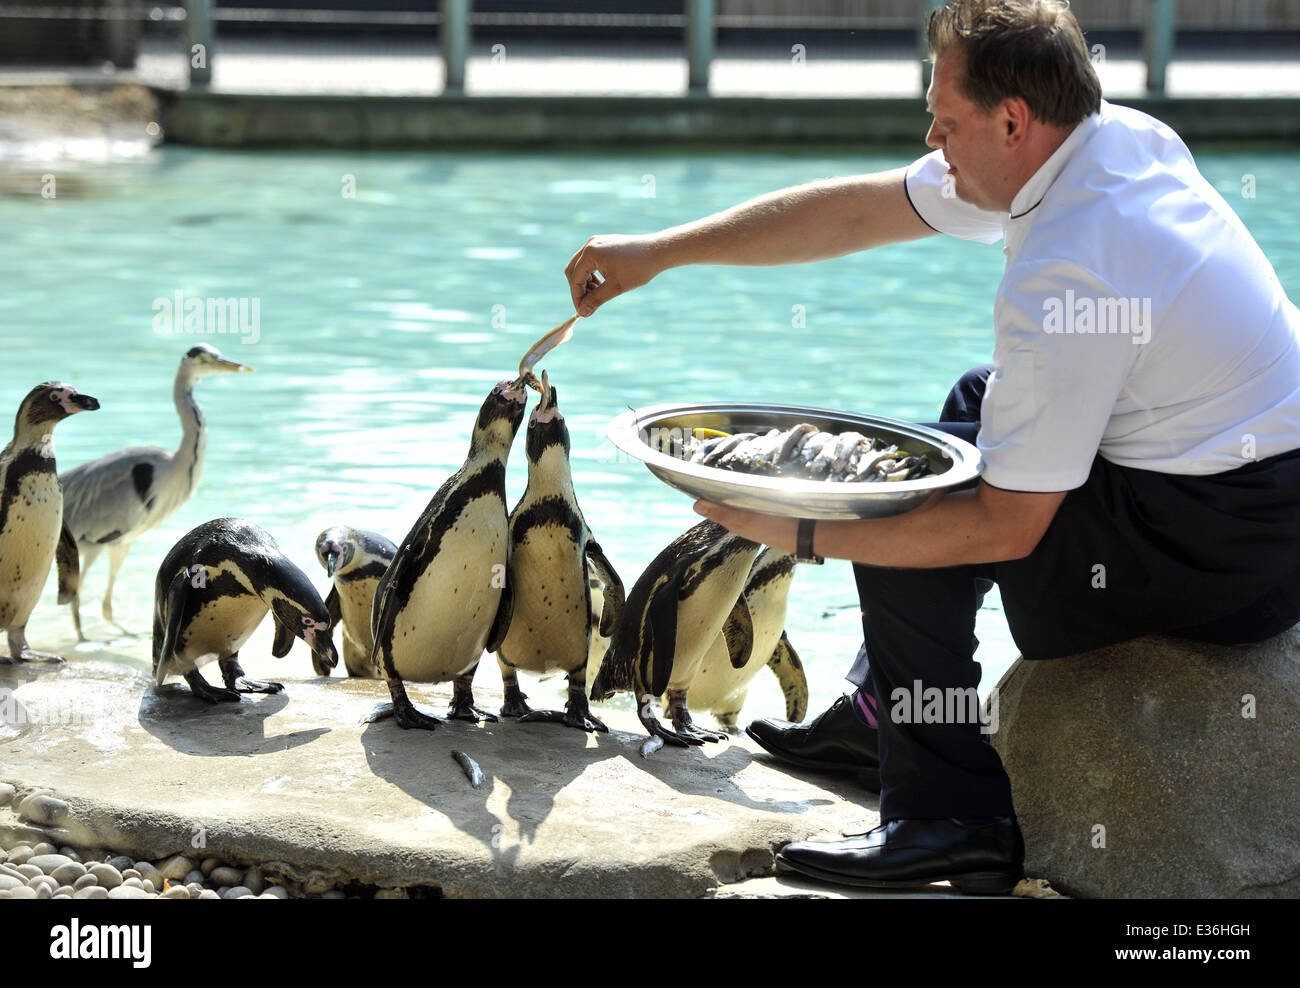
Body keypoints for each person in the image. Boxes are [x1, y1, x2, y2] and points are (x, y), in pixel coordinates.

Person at [565, 0, 1300, 894]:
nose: (930, 135)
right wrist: (662, 252)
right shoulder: (1111, 142)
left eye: (944, 121)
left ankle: (951, 815)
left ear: (1013, 119)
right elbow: (859, 213)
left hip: (1221, 555)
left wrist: (804, 530)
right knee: (975, 400)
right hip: (1258, 491)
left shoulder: (1072, 262)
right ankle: (886, 708)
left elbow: (1001, 528)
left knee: (908, 504)